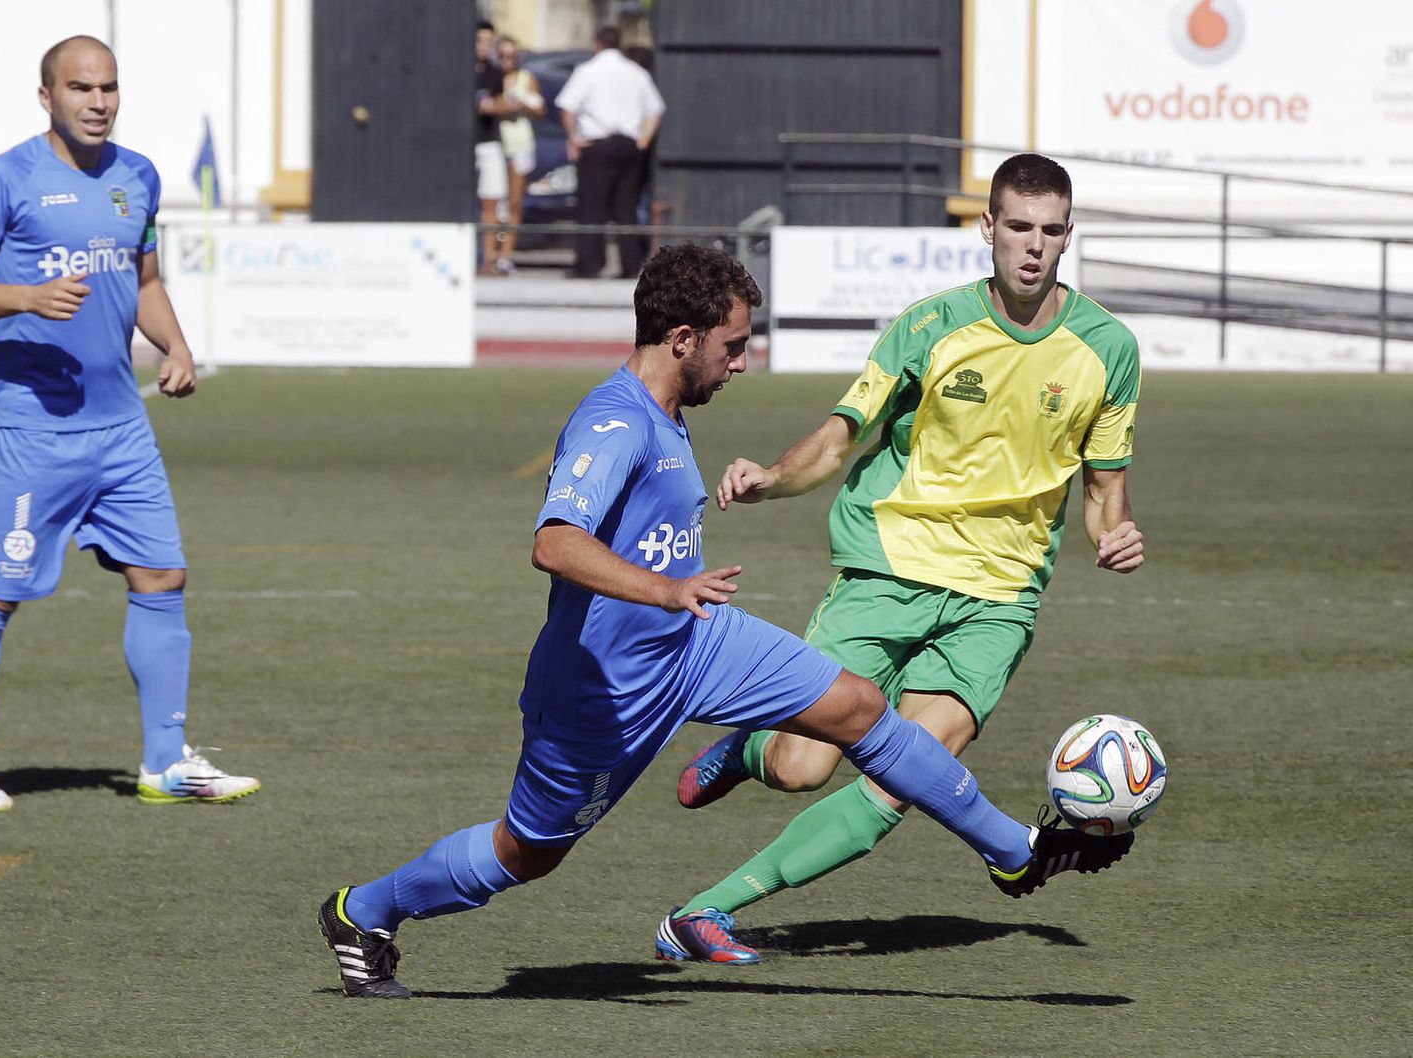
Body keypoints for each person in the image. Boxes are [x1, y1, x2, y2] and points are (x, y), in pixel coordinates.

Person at [315, 242, 1133, 1000]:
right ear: (681, 338)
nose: (743, 361)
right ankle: (365, 912)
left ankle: (1015, 855)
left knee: (854, 706)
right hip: (607, 690)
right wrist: (667, 591)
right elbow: (555, 544)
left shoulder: (667, 415)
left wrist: (681, 602)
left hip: (699, 643)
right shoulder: (615, 421)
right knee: (526, 853)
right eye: (733, 345)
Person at [658, 153, 1145, 964]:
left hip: (999, 597)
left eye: (1050, 231)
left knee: (900, 783)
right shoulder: (931, 327)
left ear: (1068, 237)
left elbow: (1105, 491)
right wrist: (773, 477)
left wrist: (1113, 536)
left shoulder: (1107, 349)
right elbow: (843, 436)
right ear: (987, 228)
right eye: (1017, 227)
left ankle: (705, 912)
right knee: (802, 765)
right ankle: (750, 749)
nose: (1032, 246)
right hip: (889, 569)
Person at [0, 35, 259, 811]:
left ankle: (166, 761)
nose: (98, 101)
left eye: (108, 87)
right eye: (80, 88)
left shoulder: (137, 175)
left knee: (162, 576)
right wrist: (23, 298)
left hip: (121, 429)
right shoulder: (4, 178)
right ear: (47, 97)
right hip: (28, 429)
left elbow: (143, 278)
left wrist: (173, 344)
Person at [555, 26, 663, 279]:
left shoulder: (588, 71)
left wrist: (573, 138)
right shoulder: (636, 72)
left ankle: (590, 265)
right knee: (626, 206)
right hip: (630, 146)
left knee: (592, 206)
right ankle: (629, 265)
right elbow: (655, 108)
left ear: (596, 44)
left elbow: (567, 105)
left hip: (598, 144)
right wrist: (644, 138)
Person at [494, 35, 545, 275]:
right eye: (502, 56)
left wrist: (523, 104)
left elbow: (541, 109)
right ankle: (490, 253)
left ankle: (506, 256)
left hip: (520, 145)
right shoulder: (492, 78)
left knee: (514, 203)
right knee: (492, 201)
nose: (507, 61)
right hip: (495, 143)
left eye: (512, 56)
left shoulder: (527, 79)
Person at [474, 20, 508, 276]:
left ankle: (489, 259)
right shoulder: (458, 70)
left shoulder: (495, 73)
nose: (484, 47)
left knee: (491, 201)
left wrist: (497, 106)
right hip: (465, 144)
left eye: (489, 42)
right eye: (480, 41)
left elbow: (501, 102)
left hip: (488, 142)